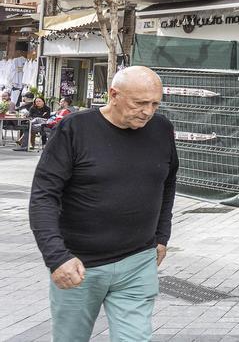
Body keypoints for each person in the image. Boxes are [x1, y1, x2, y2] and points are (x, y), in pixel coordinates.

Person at [28, 66, 178, 342]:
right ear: (113, 94)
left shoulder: (161, 128)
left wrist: (162, 236)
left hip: (138, 262)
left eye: (155, 104)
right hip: (79, 266)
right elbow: (43, 195)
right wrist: (56, 257)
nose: (148, 111)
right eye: (140, 103)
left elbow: (167, 183)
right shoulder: (75, 129)